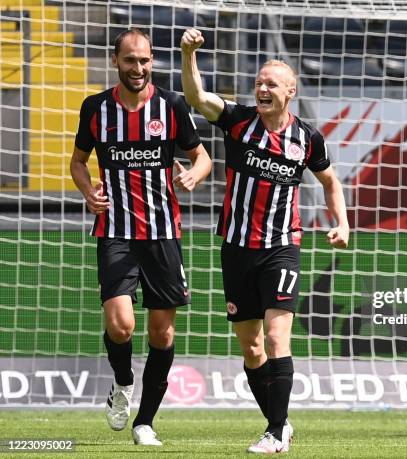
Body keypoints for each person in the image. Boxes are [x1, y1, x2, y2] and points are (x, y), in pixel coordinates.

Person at [180, 28, 350, 453]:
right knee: (252, 349)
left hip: (281, 246)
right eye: (258, 82)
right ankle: (280, 422)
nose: (261, 87)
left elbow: (330, 182)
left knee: (276, 340)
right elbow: (198, 97)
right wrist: (187, 55)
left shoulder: (306, 138)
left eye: (271, 83)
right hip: (236, 248)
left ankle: (274, 434)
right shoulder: (238, 121)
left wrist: (342, 223)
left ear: (290, 91)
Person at [70, 28, 212, 446]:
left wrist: (194, 173)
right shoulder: (95, 108)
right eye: (130, 60)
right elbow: (78, 162)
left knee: (162, 334)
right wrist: (86, 191)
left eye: (145, 60)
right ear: (116, 61)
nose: (139, 68)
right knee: (120, 325)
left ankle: (144, 422)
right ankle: (122, 382)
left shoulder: (171, 105)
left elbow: (200, 155)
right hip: (115, 230)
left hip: (162, 233)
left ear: (152, 61)